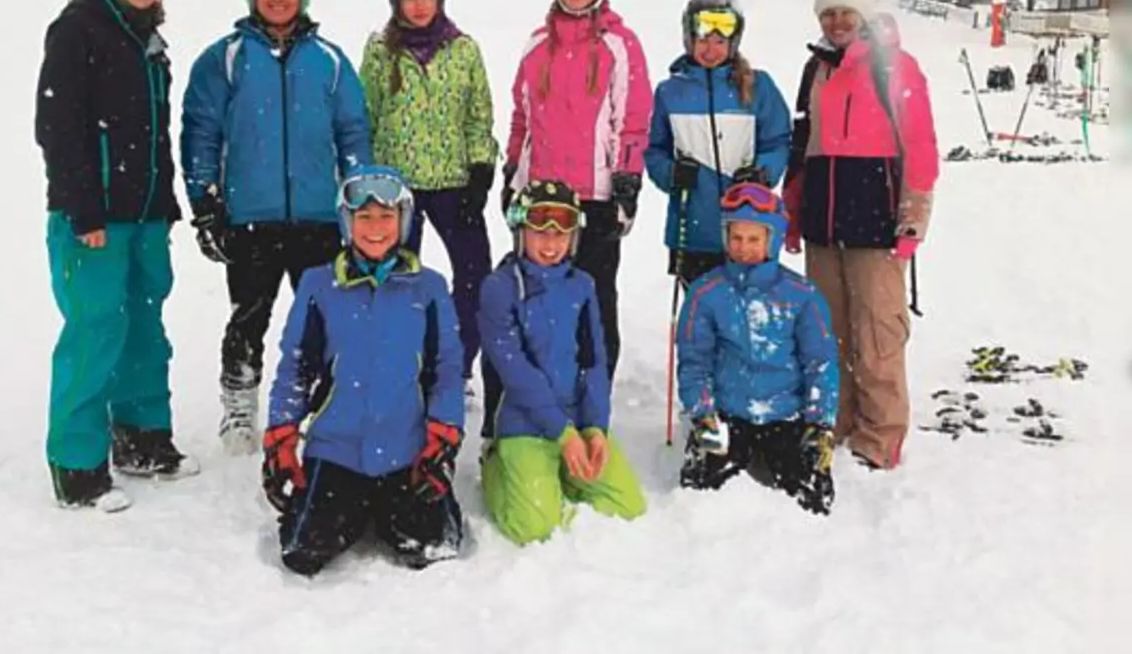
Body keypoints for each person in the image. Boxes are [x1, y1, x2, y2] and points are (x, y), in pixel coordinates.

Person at [181, 0, 371, 454]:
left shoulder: (329, 61)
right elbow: (201, 133)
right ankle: (240, 406)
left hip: (318, 219)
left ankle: (322, 401)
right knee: (249, 315)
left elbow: (353, 133)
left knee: (324, 318)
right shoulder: (224, 59)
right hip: (250, 217)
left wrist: (357, 204)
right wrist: (206, 204)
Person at [34, 0, 194, 512]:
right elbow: (57, 126)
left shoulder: (149, 40)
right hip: (94, 219)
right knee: (96, 328)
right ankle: (76, 464)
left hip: (145, 217)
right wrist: (83, 208)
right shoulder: (79, 30)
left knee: (145, 324)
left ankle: (142, 437)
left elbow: (154, 136)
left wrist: (165, 204)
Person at [263, 166, 465, 577]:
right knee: (302, 552)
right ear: (346, 221)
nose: (376, 228)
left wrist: (443, 433)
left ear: (404, 221)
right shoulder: (319, 286)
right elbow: (296, 365)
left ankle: (385, 505)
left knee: (437, 548)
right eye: (364, 217)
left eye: (387, 216)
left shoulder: (429, 288)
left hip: (405, 451)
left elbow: (446, 367)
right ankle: (353, 505)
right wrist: (281, 434)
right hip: (337, 448)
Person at [781, 0, 939, 471]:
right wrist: (792, 212)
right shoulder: (816, 70)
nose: (837, 21)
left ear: (865, 13)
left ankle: (881, 435)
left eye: (846, 11)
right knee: (829, 332)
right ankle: (838, 419)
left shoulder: (895, 68)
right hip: (824, 225)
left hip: (876, 227)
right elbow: (802, 150)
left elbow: (921, 148)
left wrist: (913, 218)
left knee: (877, 334)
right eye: (828, 13)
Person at [502, 0, 651, 392]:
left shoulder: (618, 45)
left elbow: (632, 119)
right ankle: (536, 398)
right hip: (543, 198)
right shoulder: (535, 45)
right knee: (535, 301)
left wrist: (627, 182)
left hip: (595, 198)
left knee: (593, 302)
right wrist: (512, 173)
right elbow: (521, 117)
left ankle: (592, 398)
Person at [477, 180, 647, 544]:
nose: (551, 244)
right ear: (521, 232)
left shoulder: (582, 285)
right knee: (535, 529)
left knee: (627, 507)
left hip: (576, 422)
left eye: (561, 233)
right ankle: (496, 466)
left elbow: (593, 361)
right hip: (523, 422)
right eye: (540, 233)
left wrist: (595, 427)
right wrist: (561, 432)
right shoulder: (500, 287)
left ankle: (559, 476)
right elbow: (515, 371)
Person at [358, 0, 497, 388]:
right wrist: (367, 181)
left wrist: (481, 168)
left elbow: (478, 114)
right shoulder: (381, 51)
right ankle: (404, 363)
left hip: (454, 183)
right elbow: (366, 114)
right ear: (395, 0)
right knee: (398, 281)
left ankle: (457, 362)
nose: (418, 4)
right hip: (396, 190)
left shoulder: (463, 49)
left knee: (475, 275)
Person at [675, 183, 839, 514]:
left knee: (809, 495)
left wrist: (819, 423)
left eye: (754, 239)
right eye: (736, 238)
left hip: (785, 413)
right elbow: (694, 362)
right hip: (727, 413)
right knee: (701, 493)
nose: (744, 248)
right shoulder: (706, 293)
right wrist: (703, 412)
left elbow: (820, 362)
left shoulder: (801, 295)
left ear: (772, 240)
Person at [644, 0, 792, 285]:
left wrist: (762, 172)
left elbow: (778, 141)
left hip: (747, 228)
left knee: (746, 314)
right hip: (692, 228)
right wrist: (671, 173)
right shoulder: (671, 92)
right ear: (689, 39)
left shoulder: (757, 87)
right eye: (702, 41)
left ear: (733, 43)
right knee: (701, 312)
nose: (710, 50)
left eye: (720, 42)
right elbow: (654, 149)